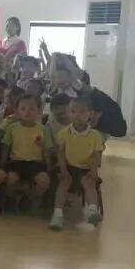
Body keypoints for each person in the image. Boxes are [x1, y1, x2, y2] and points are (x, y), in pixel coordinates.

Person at [51, 95, 104, 230]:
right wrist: (63, 170)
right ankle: (57, 215)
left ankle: (92, 211)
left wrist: (93, 171)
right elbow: (61, 154)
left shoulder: (96, 136)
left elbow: (95, 155)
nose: (77, 115)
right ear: (69, 113)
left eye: (81, 112)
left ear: (90, 114)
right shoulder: (63, 133)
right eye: (73, 111)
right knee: (63, 183)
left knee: (89, 183)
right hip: (68, 166)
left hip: (86, 168)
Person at [0, 95, 53, 212]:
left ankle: (28, 198)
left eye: (31, 109)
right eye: (23, 109)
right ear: (17, 111)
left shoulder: (43, 129)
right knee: (10, 179)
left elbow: (46, 149)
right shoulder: (12, 128)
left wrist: (48, 166)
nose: (27, 112)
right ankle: (10, 198)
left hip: (36, 164)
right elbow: (5, 146)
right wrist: (2, 163)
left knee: (44, 181)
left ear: (39, 110)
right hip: (16, 163)